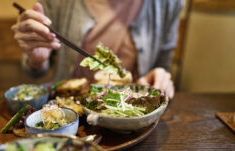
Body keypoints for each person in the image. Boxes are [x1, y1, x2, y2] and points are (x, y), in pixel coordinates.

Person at [11, 0, 184, 99]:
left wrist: (159, 77)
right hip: (68, 114)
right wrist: (37, 60)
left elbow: (163, 64)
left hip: (132, 112)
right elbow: (35, 72)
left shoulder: (169, 3)